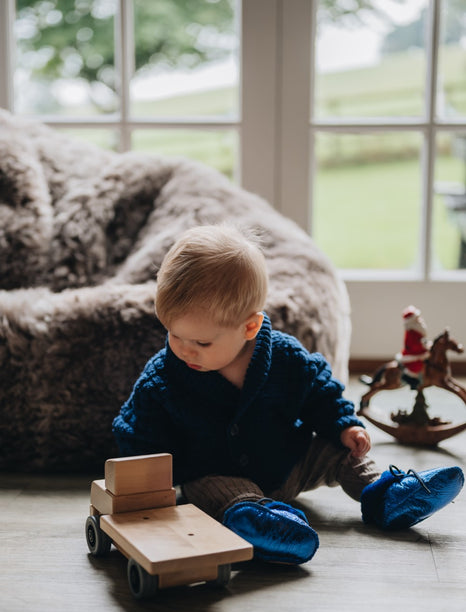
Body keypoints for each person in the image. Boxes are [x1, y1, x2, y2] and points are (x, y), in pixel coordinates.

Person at [113, 225, 464, 565]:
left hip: (289, 460)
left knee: (343, 452)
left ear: (249, 327)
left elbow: (320, 391)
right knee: (218, 494)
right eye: (175, 335)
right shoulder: (163, 377)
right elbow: (137, 429)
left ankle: (387, 495)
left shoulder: (284, 357)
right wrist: (143, 481)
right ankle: (263, 526)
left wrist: (345, 426)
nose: (185, 351)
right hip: (216, 472)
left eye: (201, 343)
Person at [398, 305, 431, 388]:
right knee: (416, 365)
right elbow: (412, 345)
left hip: (421, 351)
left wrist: (425, 344)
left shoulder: (418, 330)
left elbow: (422, 339)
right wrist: (423, 346)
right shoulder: (411, 332)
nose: (419, 320)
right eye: (417, 318)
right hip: (413, 353)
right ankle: (412, 380)